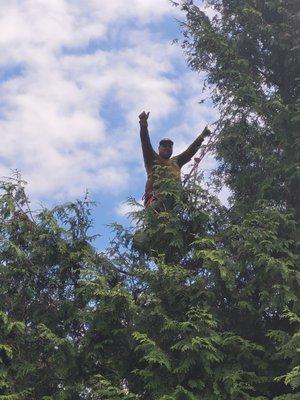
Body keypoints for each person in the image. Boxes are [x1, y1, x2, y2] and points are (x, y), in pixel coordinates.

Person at [139, 110, 211, 207]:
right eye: (164, 146)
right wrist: (143, 124)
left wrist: (201, 137)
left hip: (173, 203)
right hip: (155, 202)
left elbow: (189, 152)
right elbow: (145, 142)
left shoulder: (175, 161)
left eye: (170, 146)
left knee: (184, 198)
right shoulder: (152, 159)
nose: (167, 148)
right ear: (159, 148)